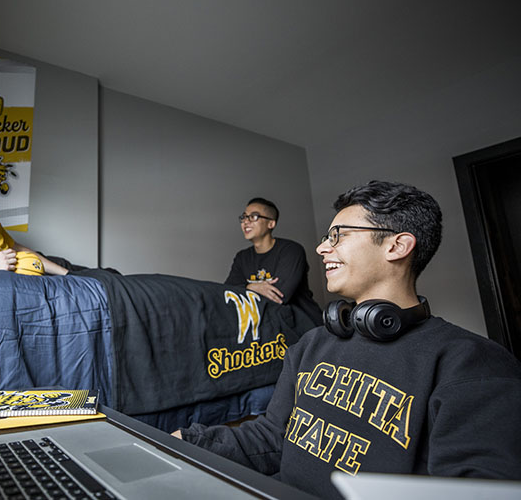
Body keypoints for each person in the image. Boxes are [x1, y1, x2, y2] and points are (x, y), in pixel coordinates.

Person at [176, 181, 521, 498]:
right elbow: (270, 436)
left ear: (397, 245)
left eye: (338, 235)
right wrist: (185, 441)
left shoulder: (473, 363)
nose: (321, 247)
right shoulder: (311, 345)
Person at [225, 197, 322, 323]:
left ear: (271, 223)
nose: (246, 222)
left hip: (304, 324)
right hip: (266, 326)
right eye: (244, 217)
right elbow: (228, 292)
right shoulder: (242, 257)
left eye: (253, 216)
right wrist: (251, 287)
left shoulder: (291, 250)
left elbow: (279, 296)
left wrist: (244, 289)